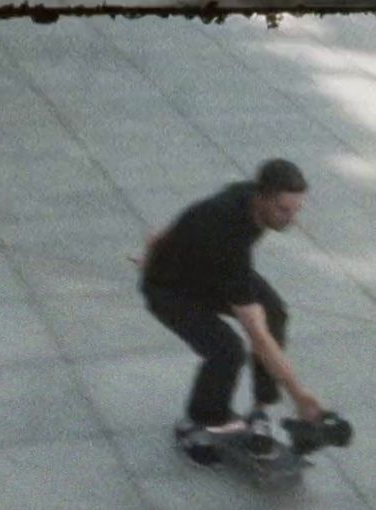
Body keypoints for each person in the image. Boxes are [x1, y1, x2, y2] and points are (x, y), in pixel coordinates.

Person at [135, 158, 326, 461]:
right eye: (283, 210)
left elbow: (165, 232)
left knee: (274, 310)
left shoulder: (248, 195)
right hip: (171, 292)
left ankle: (261, 408)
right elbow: (258, 336)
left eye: (297, 209)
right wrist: (299, 395)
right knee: (227, 350)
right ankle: (199, 422)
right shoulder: (229, 232)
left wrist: (153, 252)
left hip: (207, 272)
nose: (291, 219)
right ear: (262, 198)